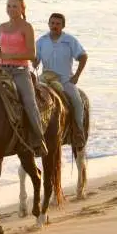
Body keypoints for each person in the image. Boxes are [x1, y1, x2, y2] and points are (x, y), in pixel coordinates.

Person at [0, 0, 49, 157]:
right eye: (9, 6)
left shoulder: (27, 27)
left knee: (29, 102)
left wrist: (10, 57)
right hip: (2, 70)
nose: (11, 9)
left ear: (22, 9)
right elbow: (0, 51)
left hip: (20, 71)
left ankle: (39, 141)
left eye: (15, 6)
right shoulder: (2, 26)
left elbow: (32, 54)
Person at [34, 12, 88, 149]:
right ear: (48, 24)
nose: (54, 26)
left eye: (58, 24)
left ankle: (78, 132)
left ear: (63, 26)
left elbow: (83, 56)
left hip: (65, 80)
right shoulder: (41, 41)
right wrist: (30, 57)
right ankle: (32, 134)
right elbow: (35, 61)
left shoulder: (70, 40)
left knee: (77, 101)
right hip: (45, 79)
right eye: (52, 23)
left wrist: (76, 76)